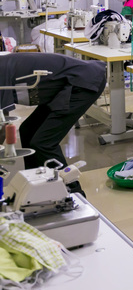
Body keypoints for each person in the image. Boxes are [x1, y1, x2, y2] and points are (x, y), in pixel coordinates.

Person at [0, 53, 106, 194]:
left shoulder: (1, 72)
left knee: (43, 142)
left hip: (82, 83)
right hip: (60, 89)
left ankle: (74, 194)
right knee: (27, 131)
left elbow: (2, 124)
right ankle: (35, 186)